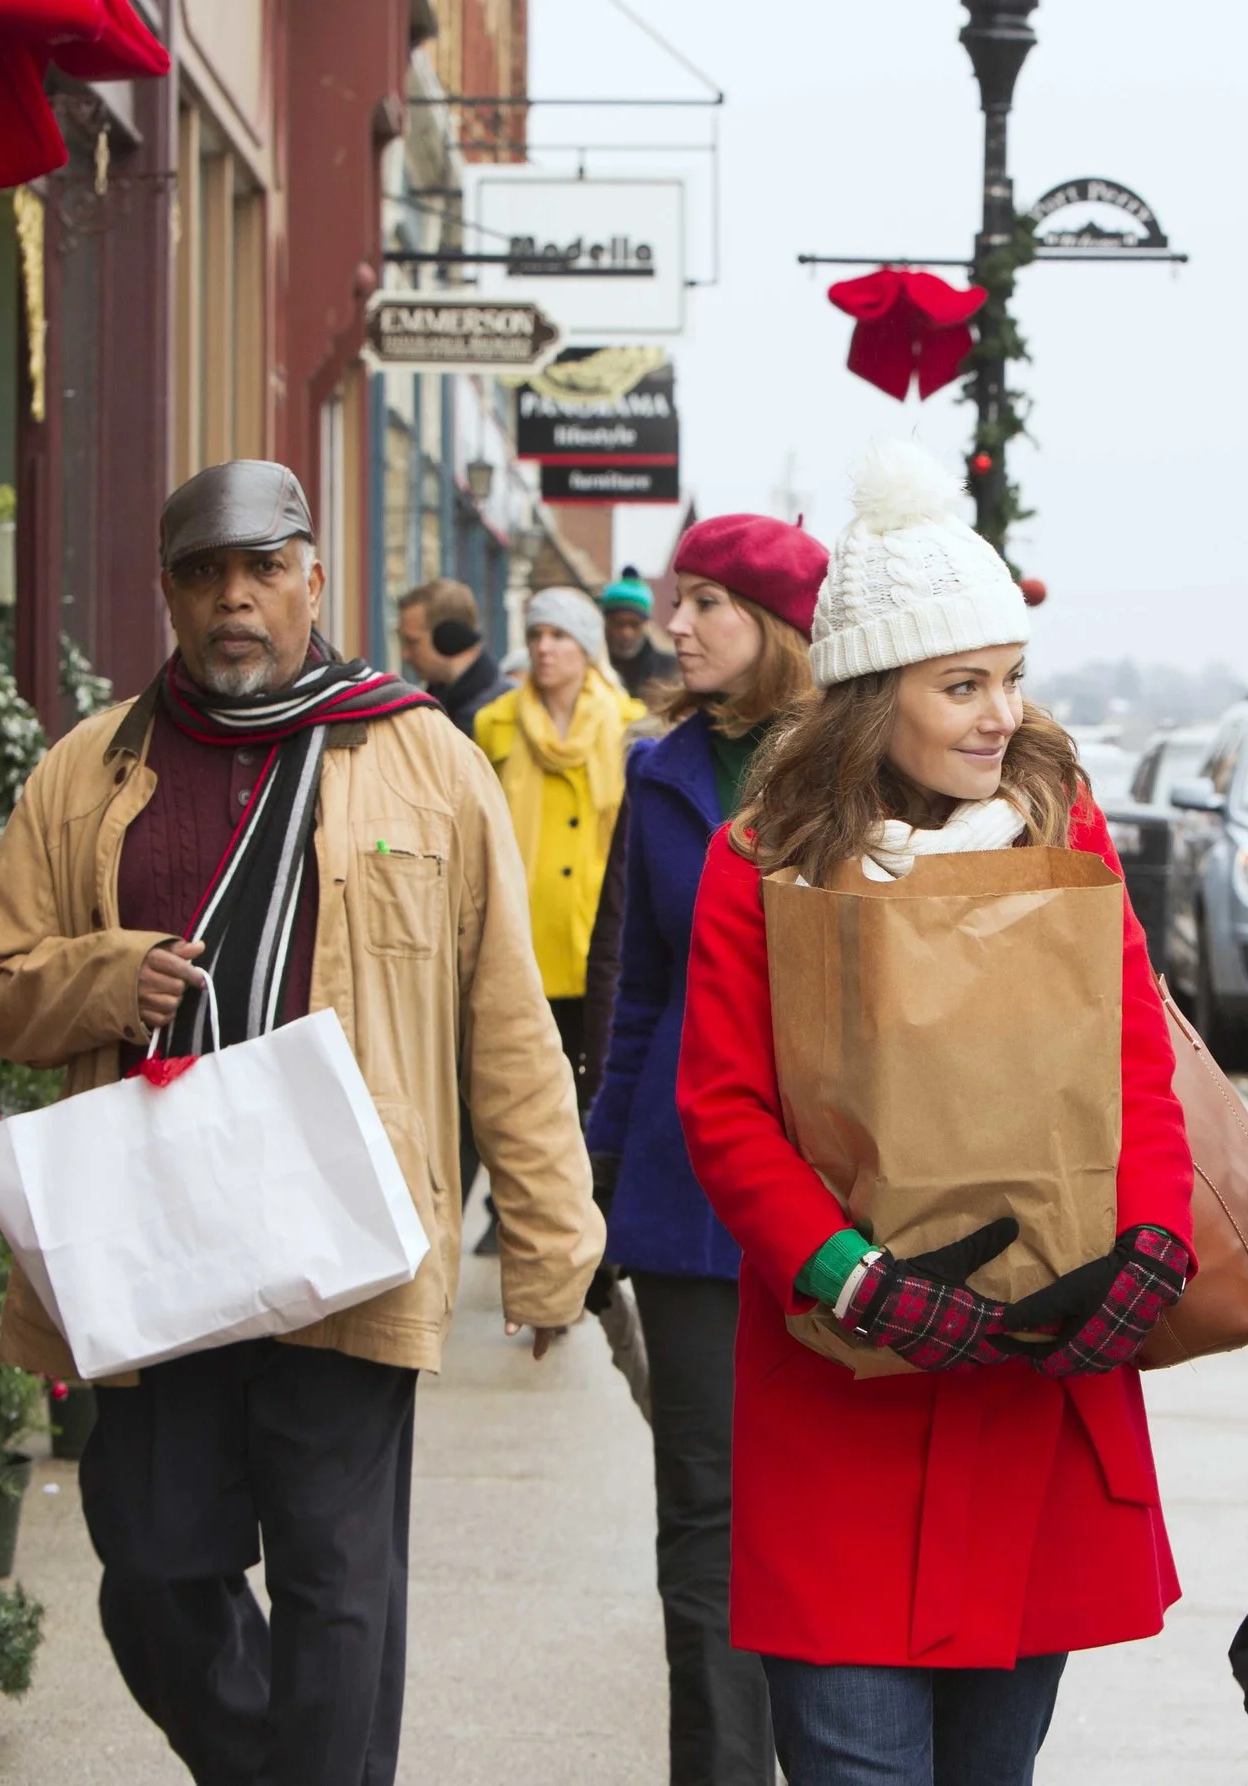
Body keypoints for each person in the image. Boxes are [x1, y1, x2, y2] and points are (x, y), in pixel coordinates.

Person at [0, 460, 603, 1786]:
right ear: (170, 592)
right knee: (149, 1568)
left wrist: (548, 1246)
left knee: (337, 1582)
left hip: (346, 1221)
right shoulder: (94, 765)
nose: (233, 599)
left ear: (314, 575)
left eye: (260, 570)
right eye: (204, 574)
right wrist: (102, 973)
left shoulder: (424, 754)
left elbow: (505, 1021)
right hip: (157, 1232)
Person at [675, 441, 1196, 1786]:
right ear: (870, 699)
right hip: (849, 1396)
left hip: (1032, 1377)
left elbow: (1137, 1059)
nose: (998, 714)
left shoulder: (1061, 833)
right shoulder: (765, 868)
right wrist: (850, 1275)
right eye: (961, 684)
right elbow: (724, 1109)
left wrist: (1150, 1238)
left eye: (1010, 679)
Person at [583, 513, 829, 1785]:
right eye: (677, 604)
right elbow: (634, 990)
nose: (672, 627)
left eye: (705, 606)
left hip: (844, 1200)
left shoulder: (861, 768)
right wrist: (595, 1181)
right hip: (688, 1202)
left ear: (783, 631)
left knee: (824, 1516)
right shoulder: (661, 770)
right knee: (706, 1517)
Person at [473, 586, 646, 1078]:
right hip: (523, 931)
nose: (544, 648)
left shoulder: (631, 728)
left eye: (559, 635)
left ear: (587, 648)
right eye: (536, 635)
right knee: (530, 1083)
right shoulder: (494, 723)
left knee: (597, 1087)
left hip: (598, 930)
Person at [396, 576, 511, 734]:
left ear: (448, 637)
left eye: (412, 642)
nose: (405, 654)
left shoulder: (505, 716)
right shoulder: (436, 703)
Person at [603, 564, 680, 699]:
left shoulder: (669, 671)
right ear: (607, 623)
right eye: (619, 624)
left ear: (645, 624)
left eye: (634, 625)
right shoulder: (592, 671)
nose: (626, 633)